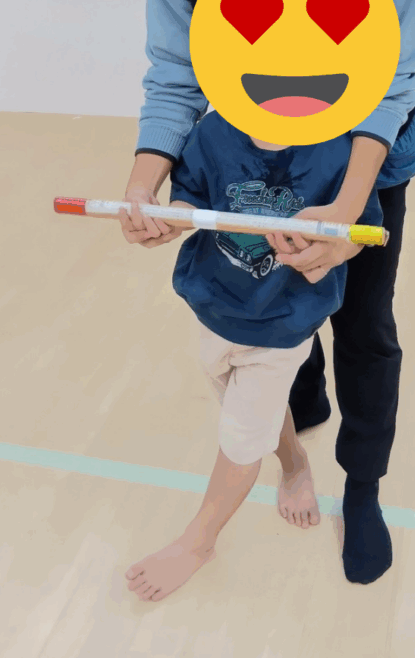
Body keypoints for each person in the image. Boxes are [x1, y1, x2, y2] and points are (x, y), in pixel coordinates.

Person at [119, 0, 415, 586]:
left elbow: (392, 79)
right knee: (270, 304)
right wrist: (146, 182)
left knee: (362, 326)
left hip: (363, 163)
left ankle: (362, 488)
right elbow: (174, 74)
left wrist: (345, 210)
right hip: (250, 160)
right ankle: (300, 419)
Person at [124, 111, 383, 601]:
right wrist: (168, 217)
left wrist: (337, 249)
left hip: (283, 322)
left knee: (242, 439)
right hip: (213, 308)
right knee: (250, 406)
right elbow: (190, 196)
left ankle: (199, 542)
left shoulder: (340, 147)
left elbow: (364, 229)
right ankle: (294, 462)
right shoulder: (214, 130)